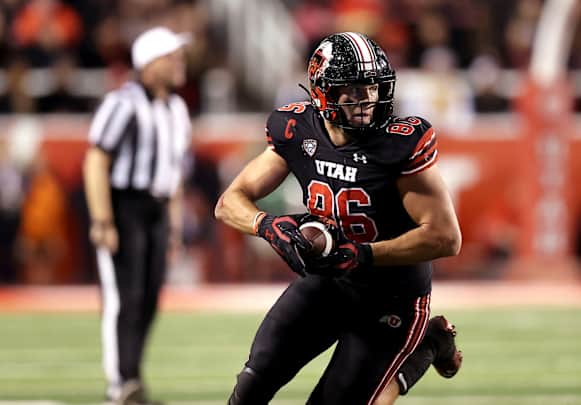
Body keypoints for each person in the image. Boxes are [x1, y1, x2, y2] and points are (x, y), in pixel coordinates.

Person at [215, 32, 462, 405]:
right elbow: (229, 202)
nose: (367, 98)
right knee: (252, 385)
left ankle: (426, 346)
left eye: (372, 87)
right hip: (328, 282)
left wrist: (362, 254)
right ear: (323, 91)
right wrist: (268, 226)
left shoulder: (398, 144)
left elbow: (445, 237)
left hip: (392, 297)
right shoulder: (298, 129)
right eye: (352, 89)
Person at [83, 27, 192, 405]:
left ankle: (132, 379)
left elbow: (174, 176)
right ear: (148, 63)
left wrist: (174, 228)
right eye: (171, 56)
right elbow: (96, 160)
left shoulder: (176, 109)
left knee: (148, 298)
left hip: (157, 209)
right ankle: (121, 383)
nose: (179, 62)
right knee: (123, 298)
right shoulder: (123, 103)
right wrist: (103, 220)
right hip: (124, 205)